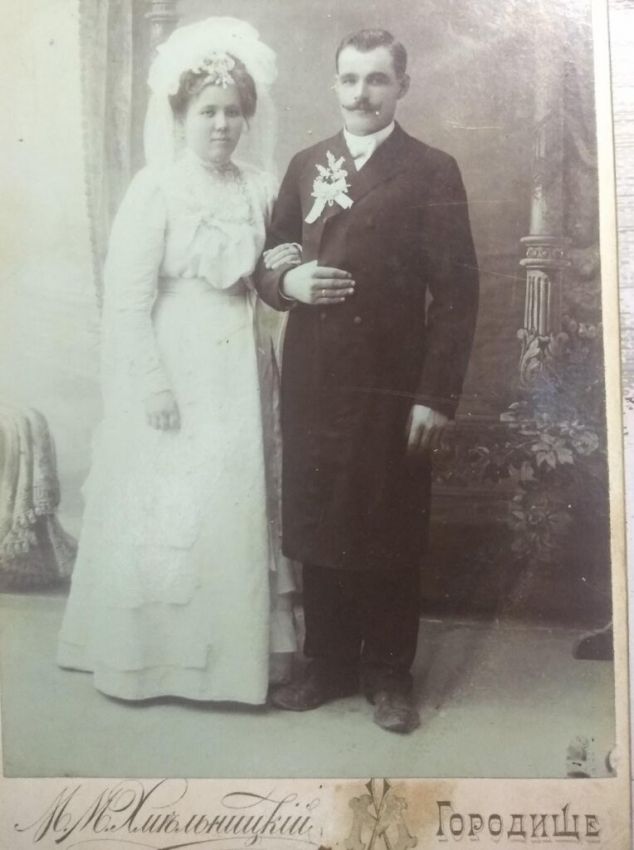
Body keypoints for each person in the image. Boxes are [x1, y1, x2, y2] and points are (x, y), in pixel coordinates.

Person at [57, 18, 300, 704]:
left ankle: (239, 662)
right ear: (181, 117)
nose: (222, 125)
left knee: (234, 500)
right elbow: (127, 302)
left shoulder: (259, 186)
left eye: (233, 112)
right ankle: (156, 659)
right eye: (207, 112)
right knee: (174, 503)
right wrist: (152, 385)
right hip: (177, 366)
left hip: (240, 368)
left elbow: (273, 270)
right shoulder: (156, 189)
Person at [256, 29, 479, 732]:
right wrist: (288, 281)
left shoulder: (432, 169)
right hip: (315, 379)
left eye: (377, 79)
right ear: (334, 85)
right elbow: (272, 253)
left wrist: (435, 397)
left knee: (388, 522)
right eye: (350, 79)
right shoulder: (307, 163)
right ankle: (327, 662)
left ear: (401, 86)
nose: (362, 94)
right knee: (320, 516)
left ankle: (388, 673)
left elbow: (459, 293)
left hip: (392, 382)